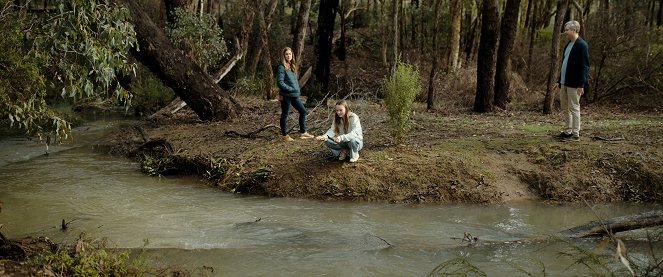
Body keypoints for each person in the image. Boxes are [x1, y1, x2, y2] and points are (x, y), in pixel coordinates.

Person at [555, 20, 589, 142]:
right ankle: (567, 131)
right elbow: (564, 64)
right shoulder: (568, 45)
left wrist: (581, 84)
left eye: (567, 30)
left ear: (574, 30)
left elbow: (584, 67)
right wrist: (559, 81)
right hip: (564, 82)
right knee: (565, 107)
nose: (566, 33)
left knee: (574, 107)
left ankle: (575, 134)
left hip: (575, 84)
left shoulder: (582, 45)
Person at [276, 47, 314, 141]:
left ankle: (303, 133)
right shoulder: (282, 67)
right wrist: (291, 89)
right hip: (286, 95)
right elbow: (280, 82)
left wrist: (295, 90)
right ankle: (284, 136)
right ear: (283, 56)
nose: (288, 56)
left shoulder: (291, 66)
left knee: (303, 111)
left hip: (294, 95)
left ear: (292, 55)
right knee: (285, 114)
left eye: (290, 54)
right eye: (286, 54)